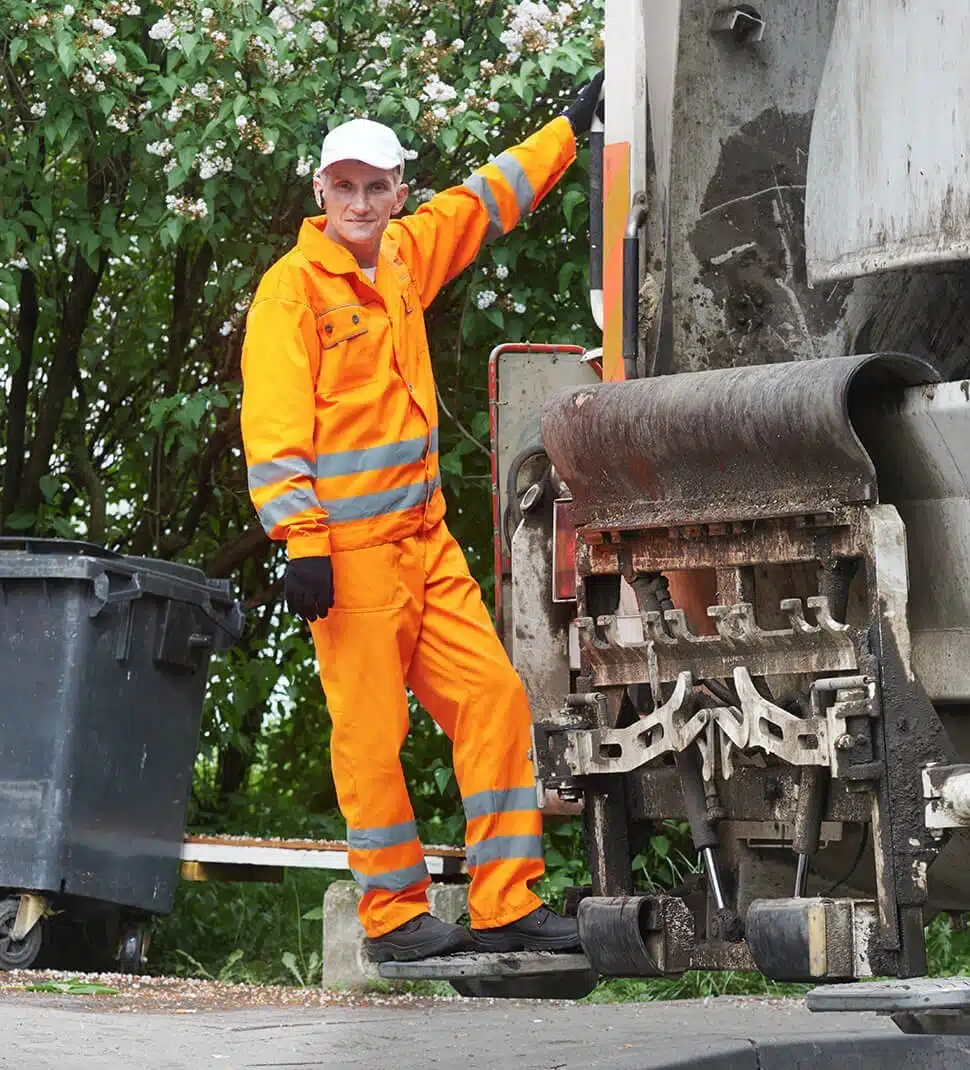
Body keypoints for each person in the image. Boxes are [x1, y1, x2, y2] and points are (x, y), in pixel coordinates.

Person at [238, 73, 604, 962]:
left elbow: (485, 201)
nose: (360, 202)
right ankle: (394, 916)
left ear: (399, 191)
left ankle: (505, 900)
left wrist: (567, 127)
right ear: (319, 193)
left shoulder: (402, 256)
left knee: (493, 698)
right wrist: (302, 542)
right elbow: (276, 430)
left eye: (377, 187)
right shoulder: (292, 293)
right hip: (348, 557)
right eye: (344, 187)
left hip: (424, 547)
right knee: (371, 738)